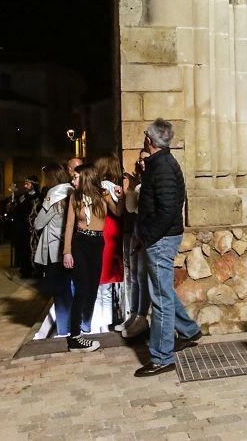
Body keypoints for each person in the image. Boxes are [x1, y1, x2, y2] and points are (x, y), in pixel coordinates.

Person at [133, 119, 202, 376]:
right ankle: (189, 330)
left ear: (150, 140)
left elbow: (168, 209)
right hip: (159, 237)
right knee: (161, 289)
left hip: (160, 239)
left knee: (160, 297)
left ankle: (162, 357)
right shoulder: (158, 164)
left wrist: (148, 235)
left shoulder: (162, 167)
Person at [62, 164, 108, 352]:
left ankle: (84, 327)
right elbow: (69, 225)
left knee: (92, 289)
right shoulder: (75, 196)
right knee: (81, 288)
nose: (72, 181)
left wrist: (121, 195)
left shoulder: (102, 195)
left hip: (97, 244)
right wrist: (67, 251)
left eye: (75, 177)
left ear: (86, 178)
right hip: (80, 242)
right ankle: (74, 337)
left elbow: (119, 211)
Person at [34, 163, 74, 338]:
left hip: (55, 249)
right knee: (70, 289)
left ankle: (64, 329)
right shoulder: (72, 190)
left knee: (60, 292)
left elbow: (38, 223)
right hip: (71, 246)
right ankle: (76, 326)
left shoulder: (53, 194)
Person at [118, 147, 151, 339]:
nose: (141, 162)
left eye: (144, 159)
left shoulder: (153, 180)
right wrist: (131, 187)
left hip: (147, 232)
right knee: (134, 275)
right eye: (140, 159)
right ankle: (133, 314)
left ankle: (141, 317)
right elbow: (131, 208)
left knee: (141, 275)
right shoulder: (139, 181)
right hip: (137, 229)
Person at [92, 155, 125, 334]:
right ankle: (105, 322)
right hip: (111, 232)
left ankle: (102, 323)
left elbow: (117, 211)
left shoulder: (104, 187)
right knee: (105, 284)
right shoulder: (108, 187)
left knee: (101, 282)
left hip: (104, 233)